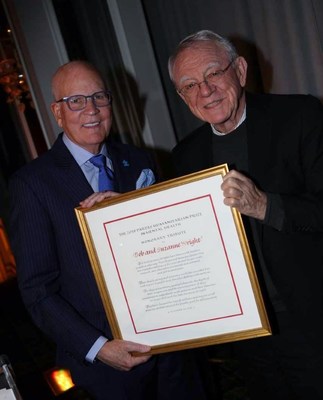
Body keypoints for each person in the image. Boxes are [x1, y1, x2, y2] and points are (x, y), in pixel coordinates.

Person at [8, 60, 212, 400]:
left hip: (174, 354)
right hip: (105, 371)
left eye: (100, 97)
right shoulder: (31, 185)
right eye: (77, 100)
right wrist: (100, 348)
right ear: (57, 112)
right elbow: (37, 291)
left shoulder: (141, 161)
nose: (92, 109)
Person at [168, 30, 323, 400]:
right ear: (182, 97)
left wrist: (266, 206)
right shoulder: (184, 157)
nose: (205, 91)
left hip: (311, 319)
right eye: (190, 85)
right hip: (246, 333)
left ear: (239, 69)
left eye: (212, 74)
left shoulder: (300, 115)